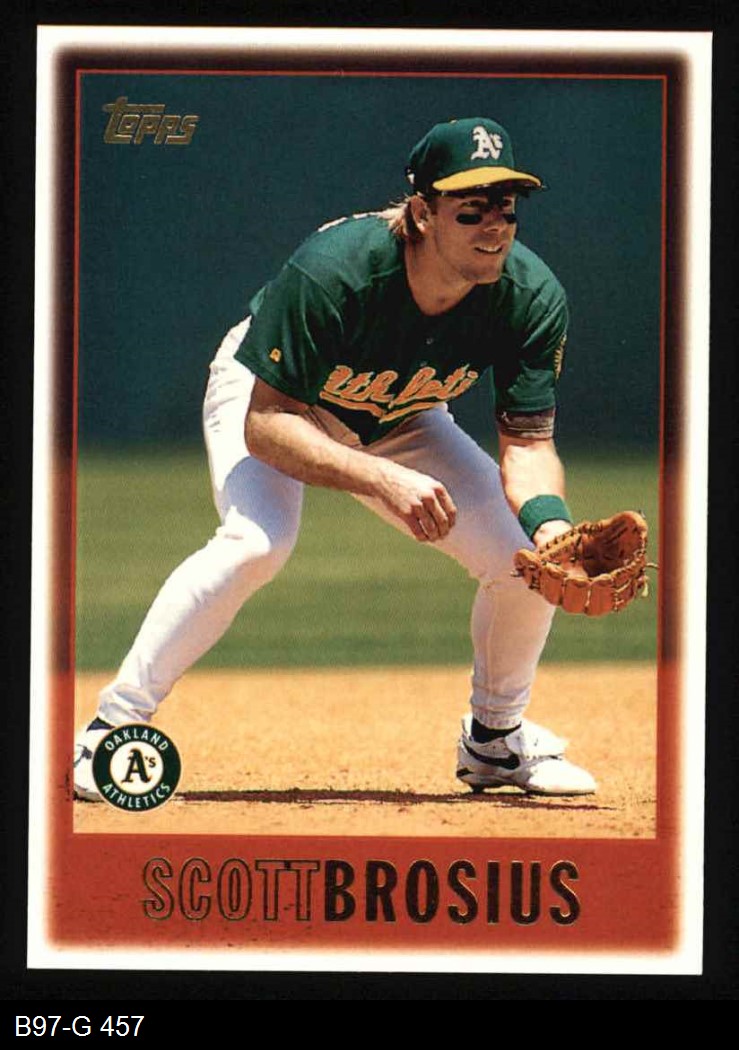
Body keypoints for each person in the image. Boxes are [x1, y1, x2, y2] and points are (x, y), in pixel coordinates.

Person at [74, 116, 596, 801]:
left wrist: (553, 529)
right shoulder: (336, 270)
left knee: (526, 565)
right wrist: (379, 475)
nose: (493, 226)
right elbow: (266, 426)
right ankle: (111, 727)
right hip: (275, 395)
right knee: (257, 543)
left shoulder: (529, 296)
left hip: (401, 412)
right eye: (470, 209)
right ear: (422, 214)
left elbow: (527, 445)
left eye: (506, 206)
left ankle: (494, 742)